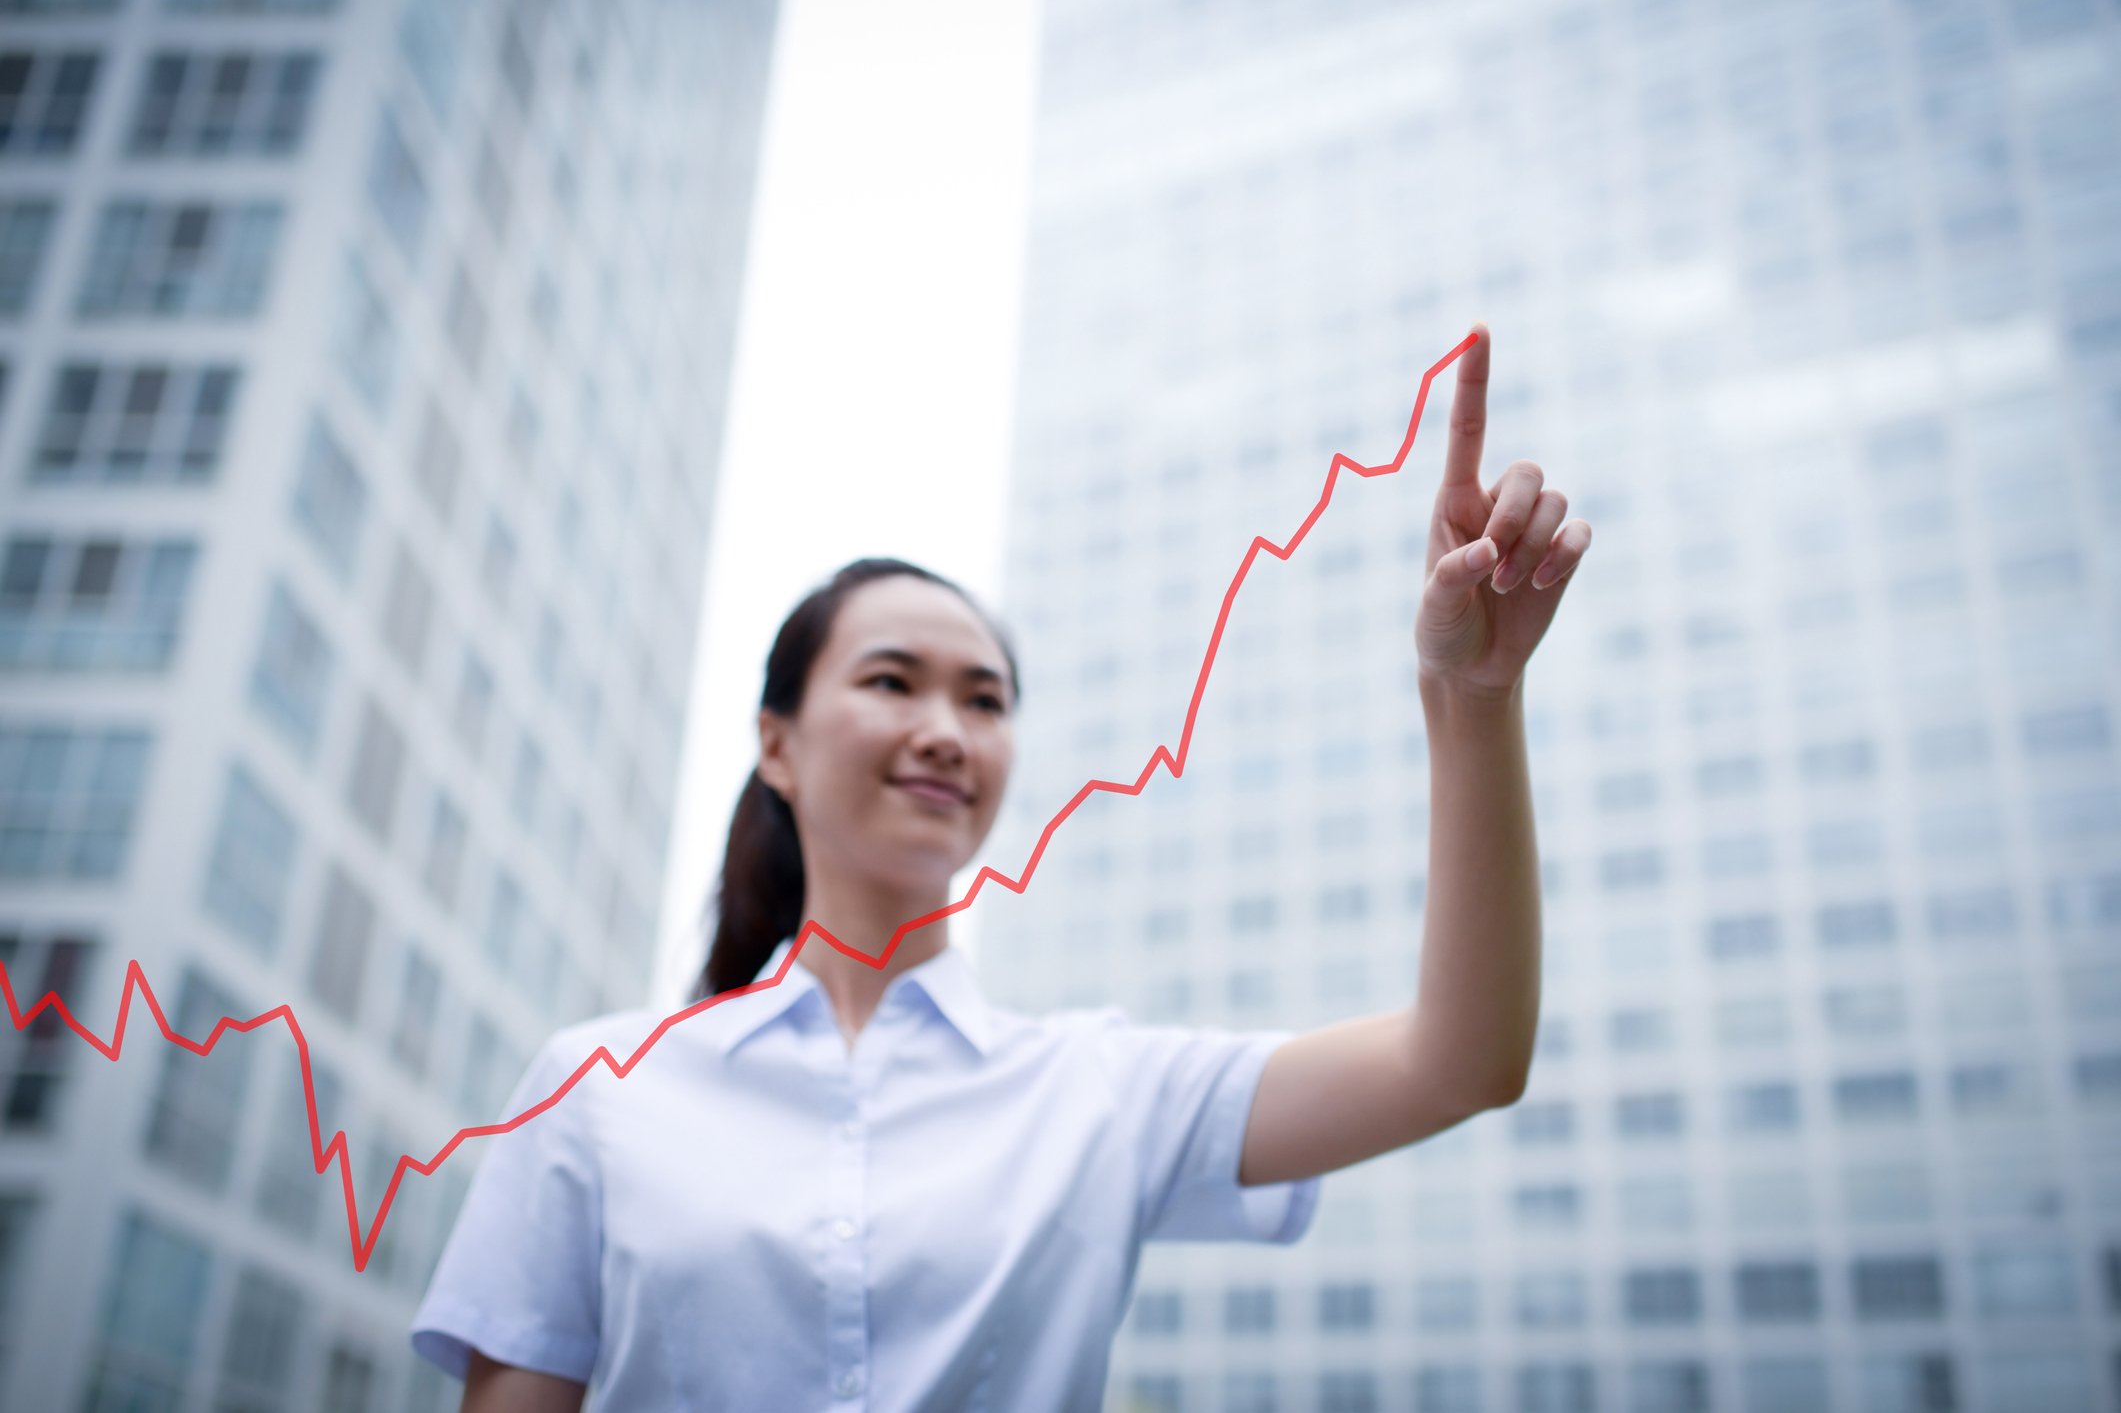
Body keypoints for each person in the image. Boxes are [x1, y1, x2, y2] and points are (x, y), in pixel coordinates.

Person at [408, 323, 1591, 1410]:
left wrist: (1472, 697)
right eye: (890, 681)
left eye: (986, 700)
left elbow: (1461, 1062)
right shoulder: (599, 1093)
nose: (947, 729)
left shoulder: (1099, 1093)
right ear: (776, 742)